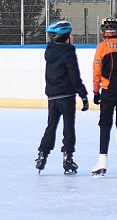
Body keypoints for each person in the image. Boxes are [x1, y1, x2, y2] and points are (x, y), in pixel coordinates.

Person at [35, 20, 89, 175]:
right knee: (68, 127)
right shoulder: (68, 53)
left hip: (52, 96)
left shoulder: (49, 51)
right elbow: (74, 76)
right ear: (67, 36)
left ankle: (42, 155)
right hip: (66, 96)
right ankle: (67, 158)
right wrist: (83, 95)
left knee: (51, 126)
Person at [91, 17, 117, 177]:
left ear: (103, 32)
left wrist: (96, 92)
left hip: (109, 88)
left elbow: (97, 70)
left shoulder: (102, 47)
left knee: (105, 123)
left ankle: (102, 162)